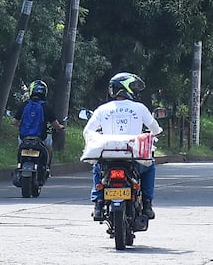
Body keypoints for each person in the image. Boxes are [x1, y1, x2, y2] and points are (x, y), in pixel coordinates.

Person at [84, 71, 163, 221]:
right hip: (132, 158)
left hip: (108, 158)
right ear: (128, 88)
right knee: (150, 167)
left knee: (97, 169)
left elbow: (88, 131)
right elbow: (155, 128)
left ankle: (98, 204)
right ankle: (147, 204)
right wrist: (156, 132)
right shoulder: (139, 108)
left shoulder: (102, 109)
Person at [12, 80, 65, 170]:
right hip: (41, 137)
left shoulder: (24, 105)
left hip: (24, 137)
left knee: (20, 147)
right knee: (49, 146)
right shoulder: (46, 107)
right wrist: (60, 127)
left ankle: (19, 164)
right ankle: (47, 168)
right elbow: (55, 124)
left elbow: (14, 122)